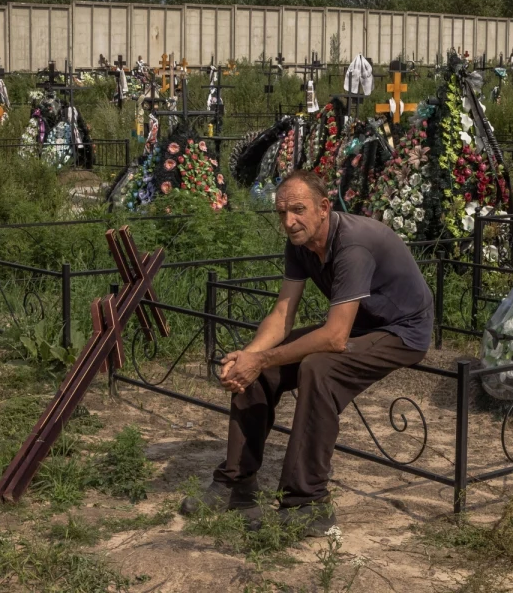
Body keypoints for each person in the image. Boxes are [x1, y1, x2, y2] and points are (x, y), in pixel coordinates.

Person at [180, 170, 433, 535]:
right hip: (359, 323)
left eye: (298, 209)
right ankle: (237, 483)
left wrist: (262, 358)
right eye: (281, 212)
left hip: (401, 330)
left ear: (324, 208)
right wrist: (248, 358)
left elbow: (333, 338)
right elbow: (283, 313)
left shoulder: (353, 245)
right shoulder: (301, 243)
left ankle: (307, 503)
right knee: (260, 372)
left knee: (319, 367)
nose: (289, 221)